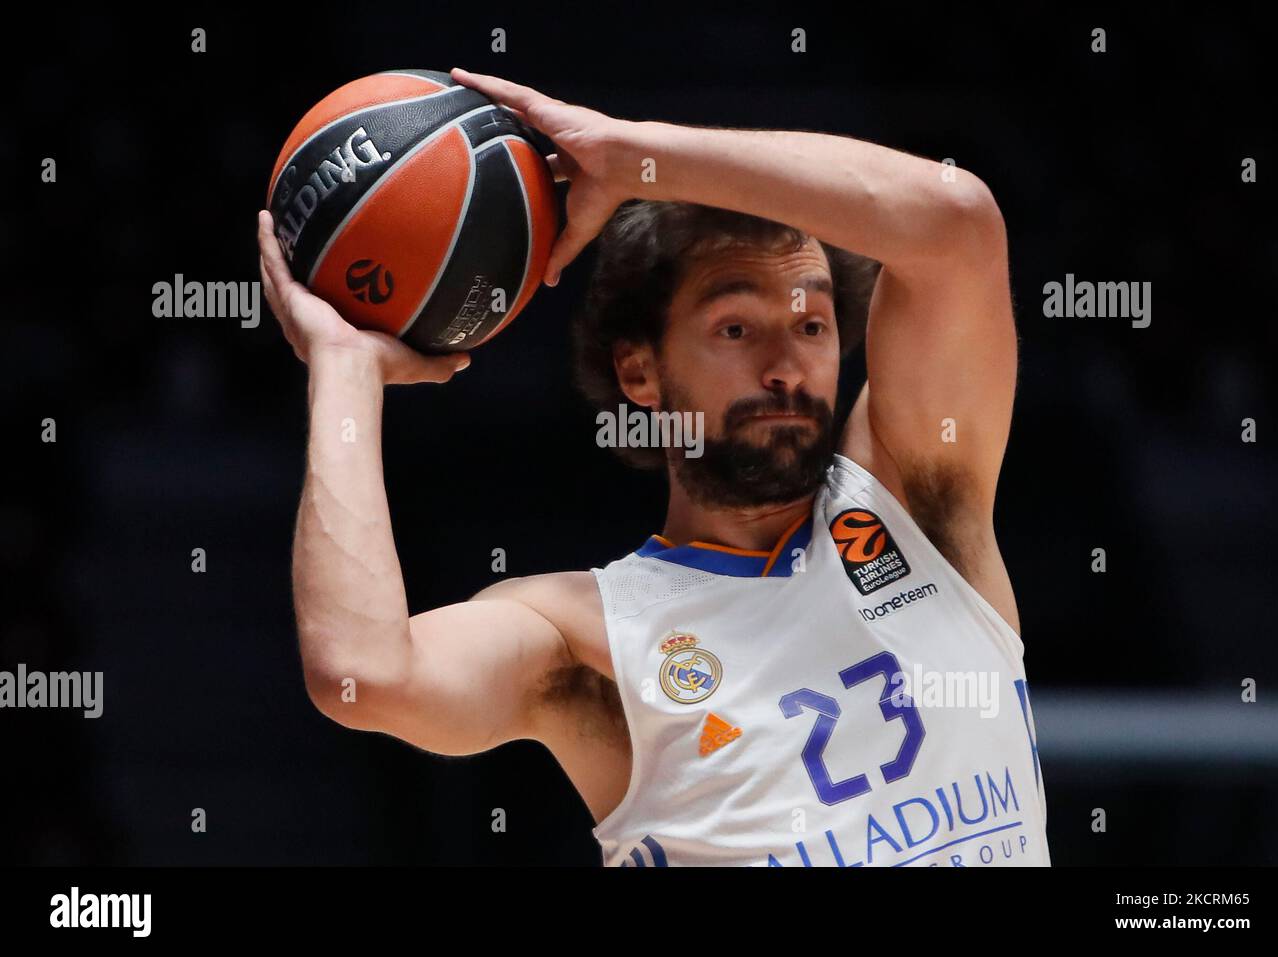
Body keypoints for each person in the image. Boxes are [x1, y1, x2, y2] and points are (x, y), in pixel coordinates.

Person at [256, 66, 1047, 867]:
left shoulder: (916, 503)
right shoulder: (586, 636)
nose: (785, 365)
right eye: (736, 328)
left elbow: (955, 219)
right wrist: (344, 372)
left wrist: (635, 157)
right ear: (640, 373)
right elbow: (362, 673)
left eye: (811, 325)